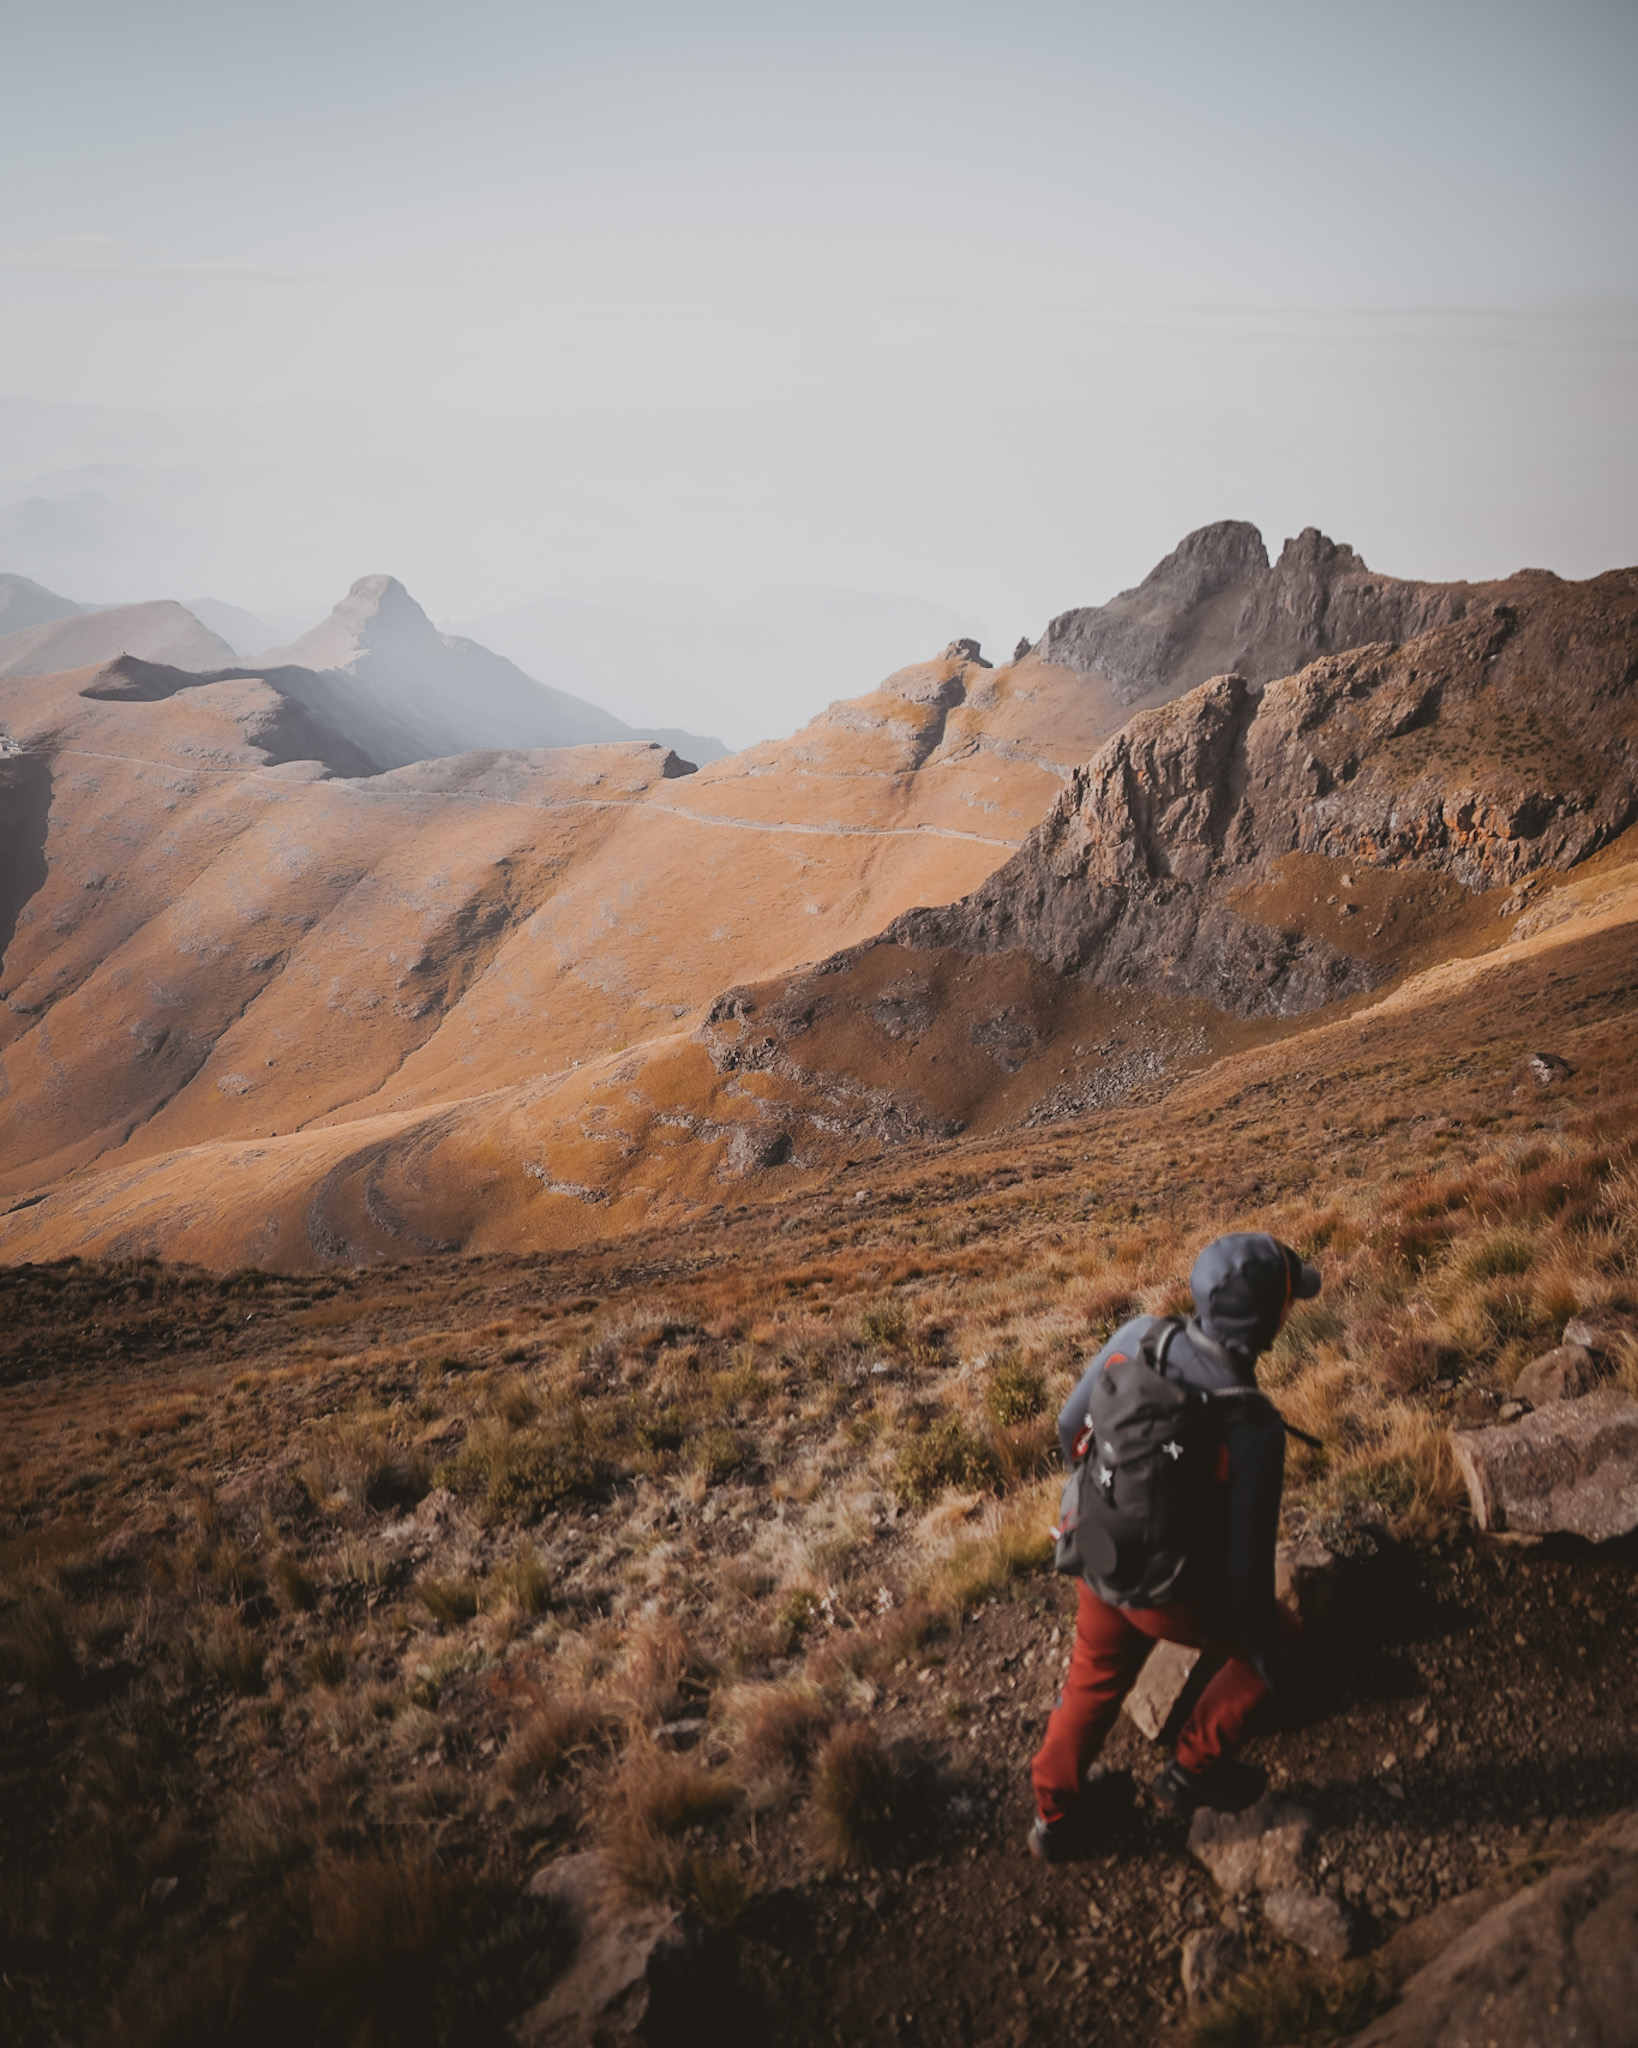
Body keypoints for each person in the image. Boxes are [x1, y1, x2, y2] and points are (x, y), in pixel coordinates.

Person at [1028, 1231, 1320, 1860]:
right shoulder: (1254, 1427)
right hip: (1174, 1593)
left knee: (1090, 1685)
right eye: (1287, 1302)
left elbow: (1067, 1425)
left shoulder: (1137, 1337)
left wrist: (1099, 1500)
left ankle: (1054, 1816)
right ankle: (1193, 1770)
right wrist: (1265, 1647)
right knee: (1277, 1643)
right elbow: (1245, 1574)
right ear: (1268, 1320)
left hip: (1097, 1552)